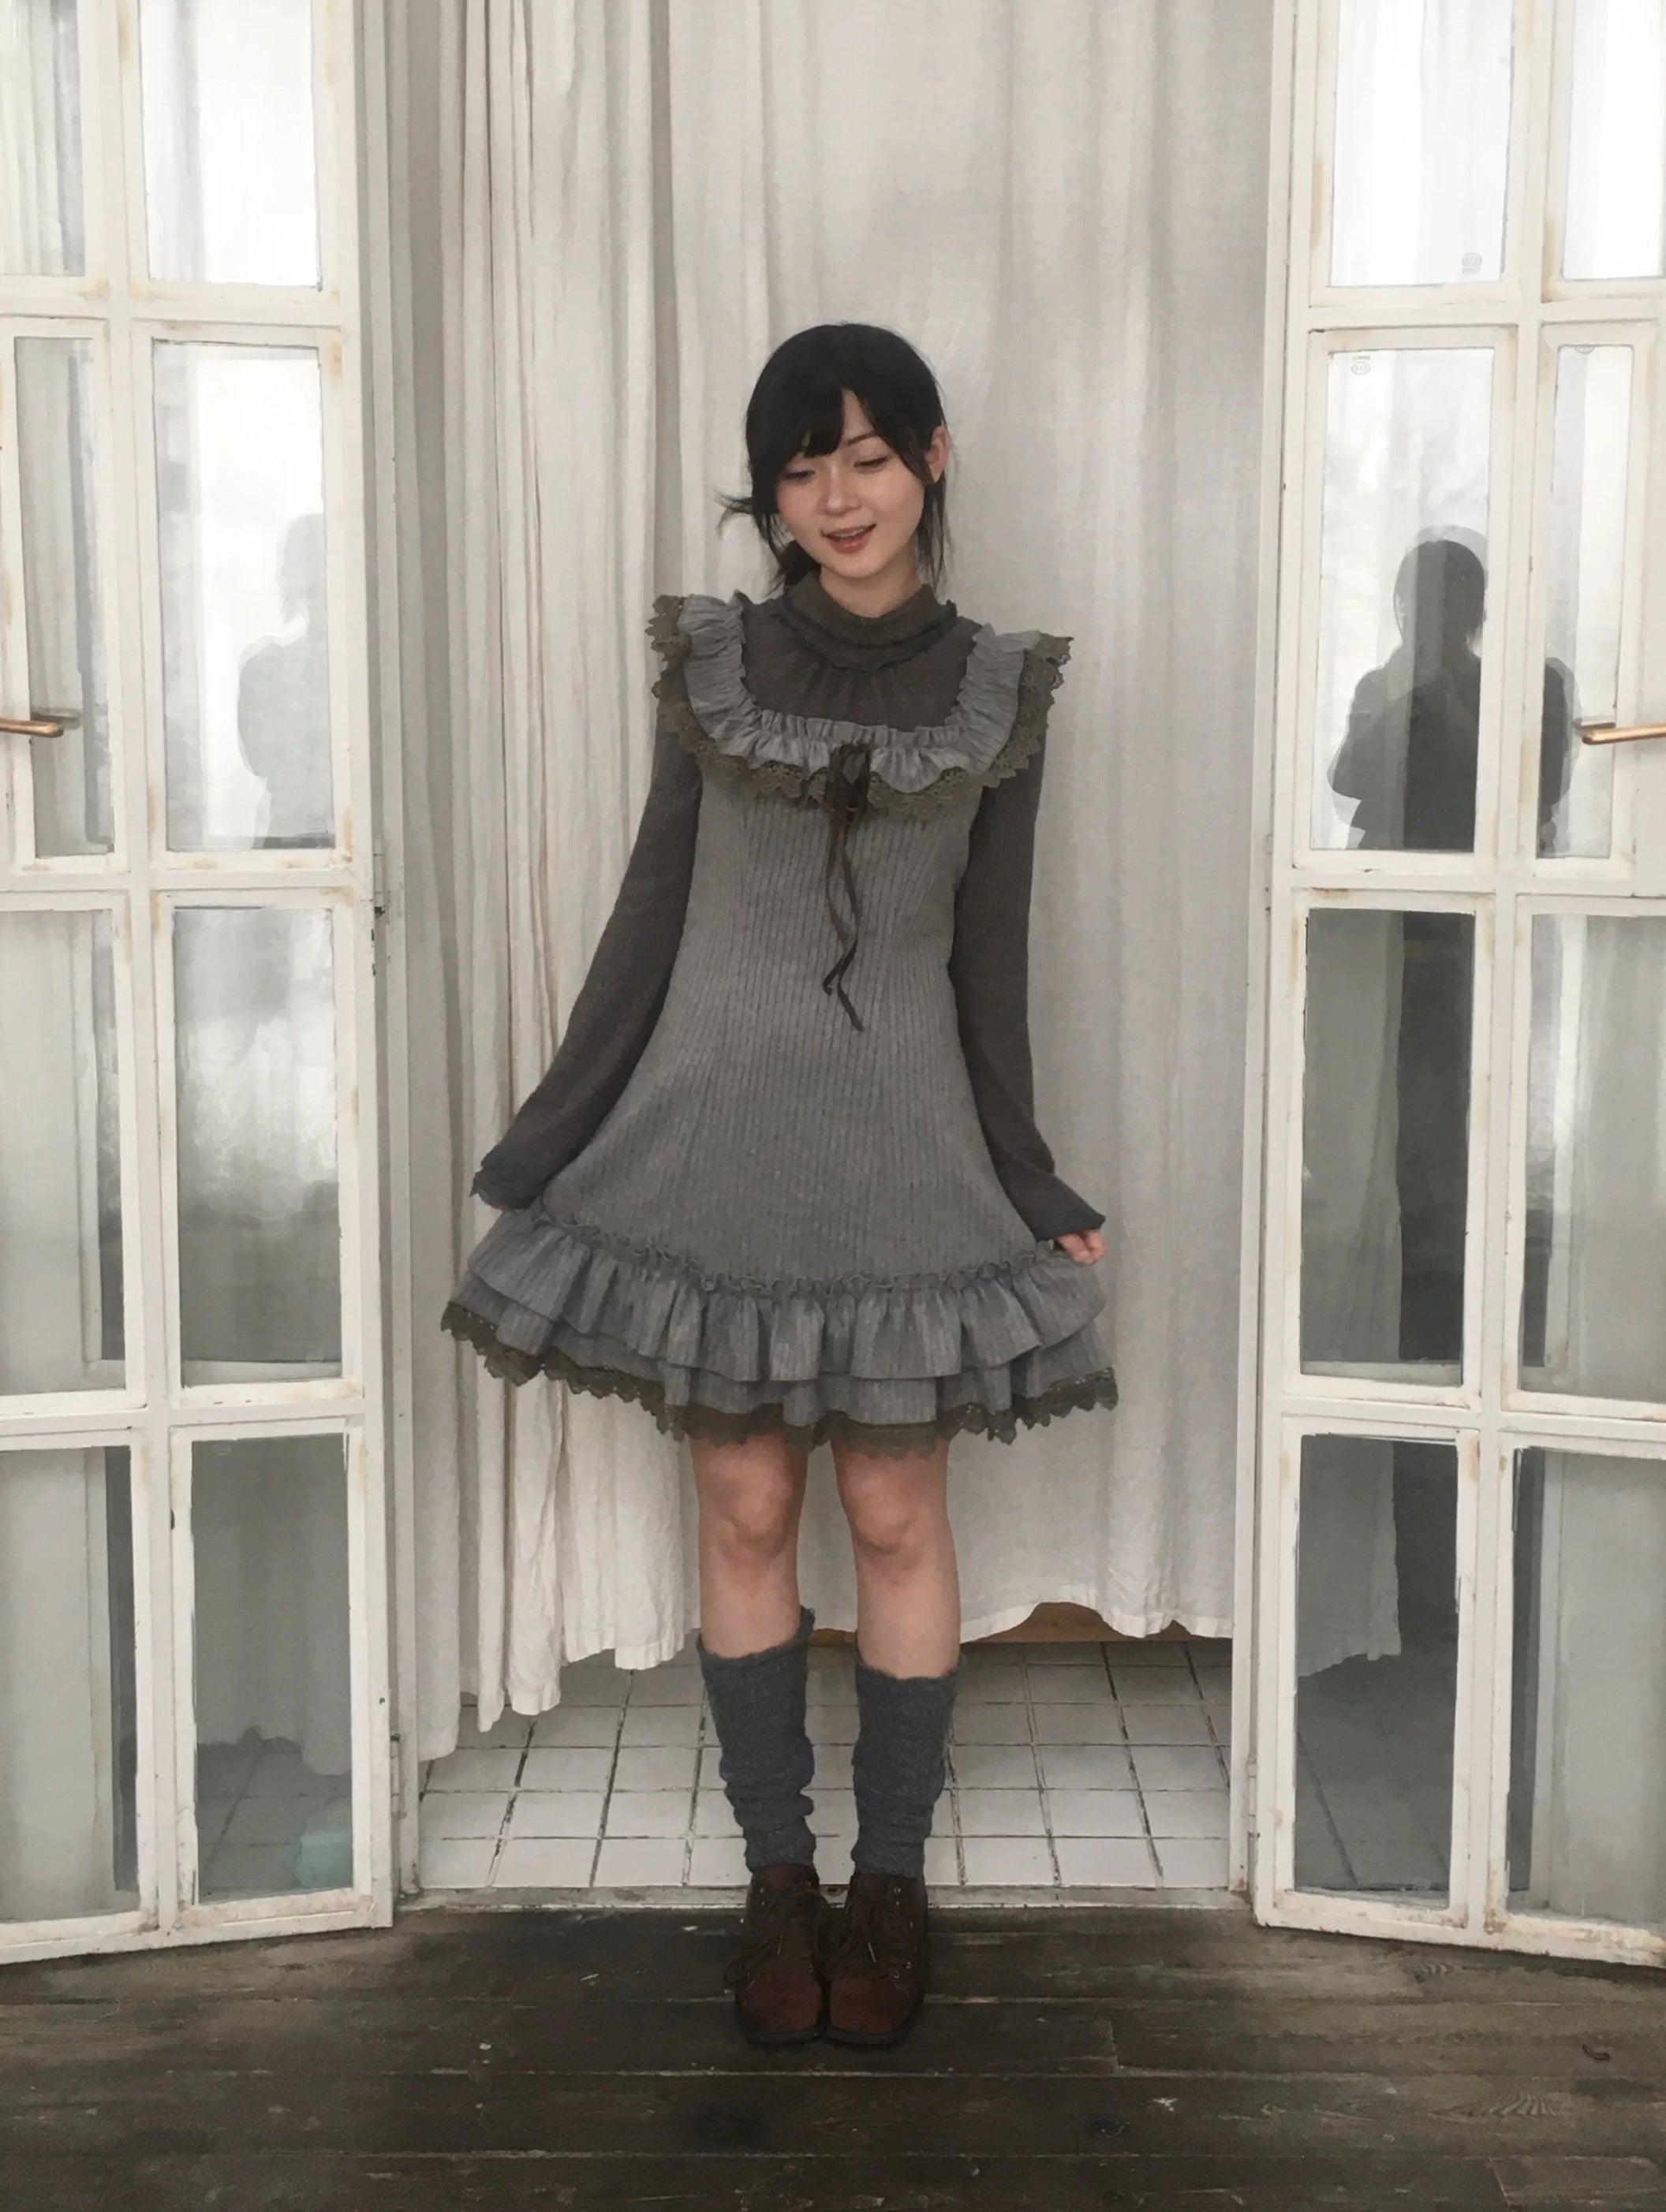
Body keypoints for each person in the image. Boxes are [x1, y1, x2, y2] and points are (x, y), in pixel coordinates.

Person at [443, 323, 1117, 2049]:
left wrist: (1024, 1170)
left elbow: (989, 958)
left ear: (933, 459)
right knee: (746, 1513)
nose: (838, 495)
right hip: (709, 1146)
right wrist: (544, 1138)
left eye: (868, 456)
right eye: (801, 468)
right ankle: (776, 1876)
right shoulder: (715, 663)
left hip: (907, 1155)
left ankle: (888, 1883)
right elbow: (651, 909)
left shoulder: (999, 689)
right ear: (772, 494)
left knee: (894, 1516)